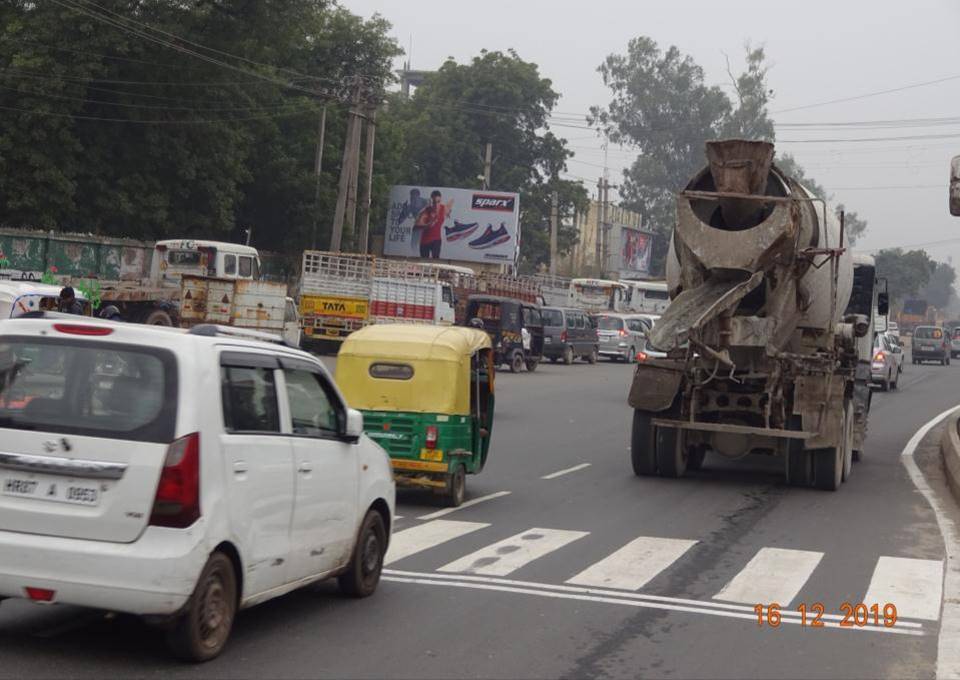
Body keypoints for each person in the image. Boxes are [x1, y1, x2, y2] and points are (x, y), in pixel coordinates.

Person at [416, 190, 453, 259]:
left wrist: (448, 213)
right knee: (424, 262)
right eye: (434, 202)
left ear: (441, 200)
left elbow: (451, 203)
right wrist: (429, 224)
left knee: (436, 260)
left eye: (438, 202)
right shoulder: (427, 210)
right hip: (425, 240)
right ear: (431, 200)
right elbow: (418, 226)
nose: (436, 205)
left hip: (436, 239)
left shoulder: (443, 208)